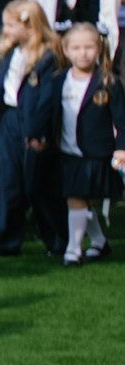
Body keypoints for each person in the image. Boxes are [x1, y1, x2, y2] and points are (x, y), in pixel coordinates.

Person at [0, 0, 66, 258]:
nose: (6, 31)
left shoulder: (46, 58)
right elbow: (2, 82)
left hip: (32, 121)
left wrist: (39, 132)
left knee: (37, 182)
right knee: (9, 180)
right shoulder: (11, 53)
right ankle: (5, 240)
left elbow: (46, 100)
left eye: (11, 26)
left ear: (29, 26)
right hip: (10, 119)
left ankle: (56, 238)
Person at [51, 23, 117, 264]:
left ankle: (81, 246)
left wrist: (121, 147)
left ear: (99, 49)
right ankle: (85, 245)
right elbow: (51, 114)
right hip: (68, 151)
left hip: (96, 152)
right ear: (66, 50)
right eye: (76, 47)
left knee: (81, 197)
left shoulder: (108, 81)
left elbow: (121, 118)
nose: (83, 53)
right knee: (77, 196)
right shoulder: (59, 81)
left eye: (89, 47)